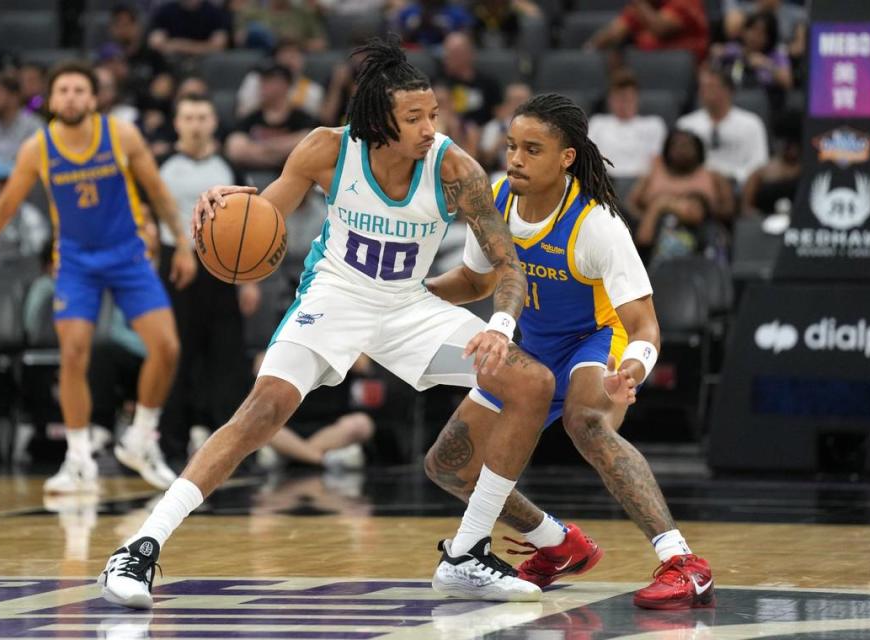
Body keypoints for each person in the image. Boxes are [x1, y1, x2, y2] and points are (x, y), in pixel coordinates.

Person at [98, 36, 554, 608]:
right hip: (334, 297)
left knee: (531, 383)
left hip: (409, 308)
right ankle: (139, 547)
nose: (428, 128)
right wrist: (226, 202)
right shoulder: (327, 150)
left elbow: (509, 264)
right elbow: (261, 217)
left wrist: (500, 327)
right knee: (262, 410)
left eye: (432, 114)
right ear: (377, 120)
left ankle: (465, 554)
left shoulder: (454, 168)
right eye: (414, 117)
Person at [424, 93, 715, 610]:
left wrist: (633, 368)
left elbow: (645, 323)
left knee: (586, 422)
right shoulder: (496, 201)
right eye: (512, 146)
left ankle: (684, 564)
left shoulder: (596, 223)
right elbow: (474, 279)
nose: (515, 158)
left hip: (593, 341)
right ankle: (556, 543)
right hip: (529, 346)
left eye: (532, 149)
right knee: (448, 467)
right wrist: (411, 293)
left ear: (566, 158)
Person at [0, 61, 197, 493]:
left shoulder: (121, 135)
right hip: (75, 261)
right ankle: (77, 459)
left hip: (128, 254)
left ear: (92, 98)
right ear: (51, 100)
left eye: (79, 90)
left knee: (166, 347)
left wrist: (182, 245)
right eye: (64, 90)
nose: (71, 97)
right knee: (73, 353)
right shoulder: (37, 147)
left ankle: (141, 439)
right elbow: (3, 207)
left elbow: (158, 193)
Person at [156, 94, 255, 463]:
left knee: (226, 356)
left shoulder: (229, 168)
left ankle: (225, 446)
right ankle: (170, 444)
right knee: (175, 354)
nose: (196, 124)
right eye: (189, 117)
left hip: (222, 268)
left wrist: (249, 281)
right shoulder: (161, 165)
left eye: (202, 117)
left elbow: (250, 225)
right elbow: (146, 220)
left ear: (214, 123)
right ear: (177, 122)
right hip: (172, 266)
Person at [627, 129, 734, 263]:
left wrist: (696, 210)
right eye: (676, 145)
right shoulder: (651, 174)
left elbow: (729, 209)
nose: (682, 150)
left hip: (701, 230)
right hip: (654, 231)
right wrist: (647, 217)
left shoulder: (714, 176)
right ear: (667, 149)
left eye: (687, 145)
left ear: (699, 150)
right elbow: (630, 204)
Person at [676, 64, 769, 185]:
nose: (704, 92)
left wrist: (735, 177)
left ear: (728, 91)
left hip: (738, 182)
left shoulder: (751, 123)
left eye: (711, 87)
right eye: (702, 87)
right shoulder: (686, 125)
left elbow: (759, 162)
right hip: (698, 184)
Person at [0, 158, 49, 269]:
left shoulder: (28, 215)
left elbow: (37, 252)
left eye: (9, 182)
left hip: (17, 276)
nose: (4, 187)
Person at [588, 69, 667, 179]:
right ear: (610, 100)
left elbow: (657, 163)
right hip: (605, 182)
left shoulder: (653, 124)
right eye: (619, 98)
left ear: (637, 98)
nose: (624, 104)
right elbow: (590, 160)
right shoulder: (598, 123)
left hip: (642, 183)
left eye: (628, 99)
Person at [586, 0, 709, 64]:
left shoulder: (685, 1)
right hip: (647, 70)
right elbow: (614, 32)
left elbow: (660, 28)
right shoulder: (645, 7)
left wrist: (639, 3)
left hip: (687, 74)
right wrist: (591, 46)